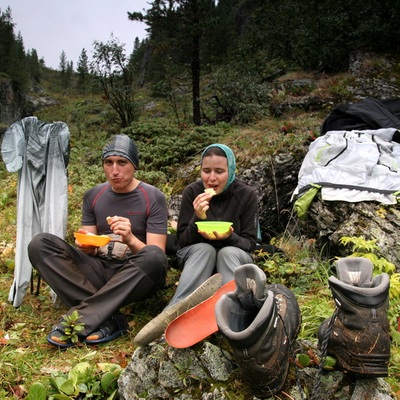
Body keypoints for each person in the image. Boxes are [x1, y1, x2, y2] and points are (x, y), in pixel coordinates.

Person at [28, 134, 169, 348]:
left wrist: (130, 238)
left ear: (134, 165)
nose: (115, 170)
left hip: (135, 276)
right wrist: (86, 247)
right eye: (108, 163)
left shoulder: (153, 196)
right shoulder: (94, 195)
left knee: (154, 256)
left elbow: (157, 254)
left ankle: (80, 319)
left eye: (122, 162)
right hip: (100, 270)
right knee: (40, 244)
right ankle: (111, 319)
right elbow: (92, 248)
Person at [133, 143, 259, 345]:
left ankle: (234, 314)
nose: (211, 178)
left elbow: (250, 243)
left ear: (231, 171)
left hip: (234, 256)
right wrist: (196, 218)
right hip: (197, 256)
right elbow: (182, 242)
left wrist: (228, 237)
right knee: (205, 249)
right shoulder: (192, 192)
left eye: (219, 171)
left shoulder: (246, 195)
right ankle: (174, 313)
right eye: (206, 171)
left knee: (226, 252)